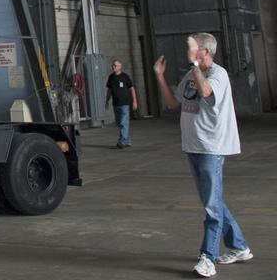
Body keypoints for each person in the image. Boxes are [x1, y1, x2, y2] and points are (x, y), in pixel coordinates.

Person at [154, 33, 252, 278]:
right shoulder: (191, 75)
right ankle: (239, 246)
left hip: (211, 148)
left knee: (211, 206)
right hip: (193, 147)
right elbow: (172, 104)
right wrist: (159, 76)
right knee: (214, 201)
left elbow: (207, 92)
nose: (190, 52)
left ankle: (207, 258)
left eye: (194, 48)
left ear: (205, 52)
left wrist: (193, 64)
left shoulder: (218, 74)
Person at [104, 59, 137, 148]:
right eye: (113, 65)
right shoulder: (111, 77)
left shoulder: (125, 77)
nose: (113, 67)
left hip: (125, 104)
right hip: (116, 104)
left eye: (115, 65)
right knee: (119, 123)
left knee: (123, 123)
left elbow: (132, 89)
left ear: (120, 67)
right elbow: (109, 90)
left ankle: (121, 142)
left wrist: (134, 101)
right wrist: (107, 100)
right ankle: (127, 140)